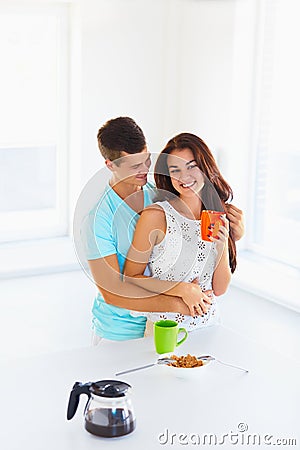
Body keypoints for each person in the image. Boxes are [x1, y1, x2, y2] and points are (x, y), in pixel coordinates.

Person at [80, 117, 244, 341]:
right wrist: (183, 299)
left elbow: (191, 241)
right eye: (134, 165)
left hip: (173, 324)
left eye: (146, 159)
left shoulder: (157, 195)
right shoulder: (98, 220)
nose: (144, 169)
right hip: (120, 330)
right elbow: (112, 292)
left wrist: (233, 235)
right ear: (111, 165)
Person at [124, 133, 237, 332]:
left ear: (205, 166)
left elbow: (220, 289)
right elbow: (131, 277)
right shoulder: (156, 216)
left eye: (191, 166)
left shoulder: (218, 215)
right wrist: (182, 289)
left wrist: (221, 246)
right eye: (175, 170)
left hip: (209, 327)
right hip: (165, 330)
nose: (184, 177)